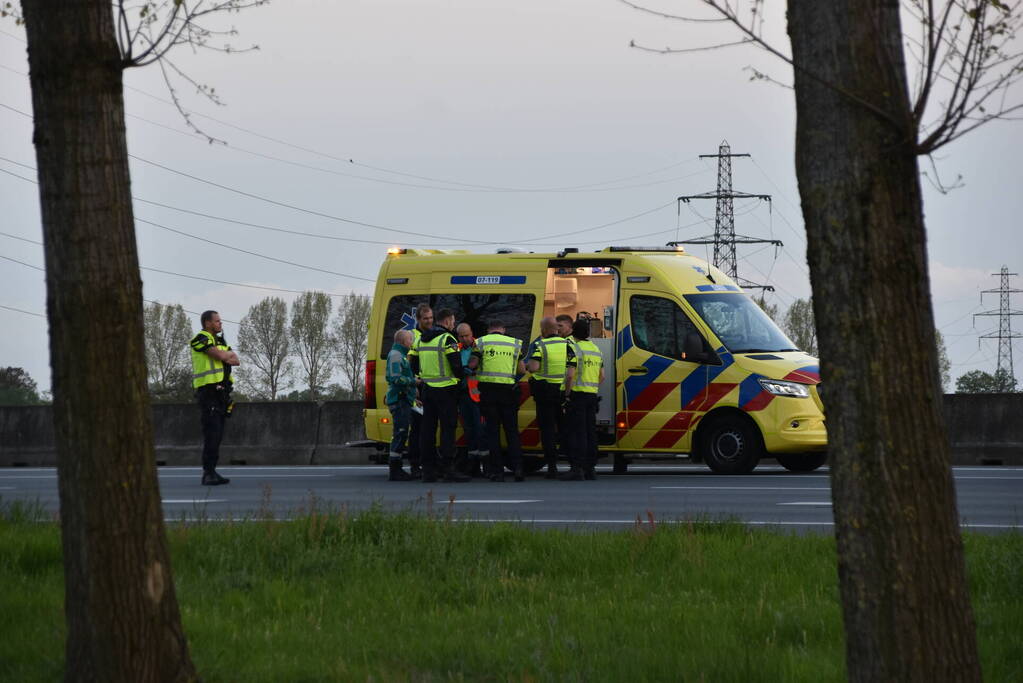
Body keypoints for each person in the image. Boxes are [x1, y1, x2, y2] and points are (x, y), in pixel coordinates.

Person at [409, 308, 470, 483]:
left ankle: (428, 471)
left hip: (427, 390)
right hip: (446, 391)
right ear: (448, 320)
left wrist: (419, 382)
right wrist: (461, 378)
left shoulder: (422, 339)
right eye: (453, 321)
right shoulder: (447, 338)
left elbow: (413, 365)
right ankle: (448, 469)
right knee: (447, 431)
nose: (454, 324)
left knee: (427, 431)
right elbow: (456, 365)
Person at [470, 320, 526, 482]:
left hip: (488, 393)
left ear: (489, 330)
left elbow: (473, 364)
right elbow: (522, 369)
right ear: (503, 329)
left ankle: (497, 471)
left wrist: (470, 366)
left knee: (492, 432)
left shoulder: (480, 342)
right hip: (508, 392)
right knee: (512, 431)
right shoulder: (515, 343)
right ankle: (518, 468)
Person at [190, 310, 240, 486]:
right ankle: (208, 473)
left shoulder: (220, 341)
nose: (220, 324)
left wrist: (224, 354)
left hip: (222, 394)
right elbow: (222, 356)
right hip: (208, 393)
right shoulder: (200, 338)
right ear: (207, 323)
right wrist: (223, 355)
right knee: (212, 433)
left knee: (218, 435)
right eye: (217, 321)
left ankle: (213, 471)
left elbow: (236, 360)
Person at [560, 319, 604, 481]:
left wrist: (567, 395)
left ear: (573, 332)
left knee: (577, 433)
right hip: (592, 396)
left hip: (577, 396)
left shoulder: (573, 348)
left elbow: (570, 375)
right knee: (590, 433)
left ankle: (576, 469)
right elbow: (602, 376)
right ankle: (590, 469)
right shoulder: (596, 349)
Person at [526, 316, 569, 478]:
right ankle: (574, 463)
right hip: (563, 391)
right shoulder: (568, 345)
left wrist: (529, 366)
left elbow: (534, 367)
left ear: (543, 330)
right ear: (556, 329)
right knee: (564, 428)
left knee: (548, 430)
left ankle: (552, 467)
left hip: (545, 393)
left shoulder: (540, 345)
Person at [406, 303, 434, 478]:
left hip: (432, 387)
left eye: (431, 318)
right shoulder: (413, 336)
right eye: (426, 319)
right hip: (418, 387)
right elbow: (409, 364)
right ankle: (415, 465)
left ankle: (427, 463)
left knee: (427, 429)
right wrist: (413, 387)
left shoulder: (432, 334)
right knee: (416, 430)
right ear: (418, 319)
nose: (429, 321)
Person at [384, 329, 416, 481]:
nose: (412, 342)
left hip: (404, 398)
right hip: (399, 400)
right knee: (400, 432)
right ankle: (395, 470)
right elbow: (395, 378)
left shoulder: (400, 355)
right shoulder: (396, 356)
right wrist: (413, 382)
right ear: (403, 341)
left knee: (402, 433)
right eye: (410, 340)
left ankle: (397, 468)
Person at [455, 322, 484, 477]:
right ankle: (473, 465)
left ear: (471, 333)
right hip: (462, 394)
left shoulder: (479, 346)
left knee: (480, 429)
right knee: (469, 430)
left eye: (467, 335)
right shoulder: (457, 348)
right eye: (461, 336)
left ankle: (484, 464)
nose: (465, 338)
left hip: (477, 394)